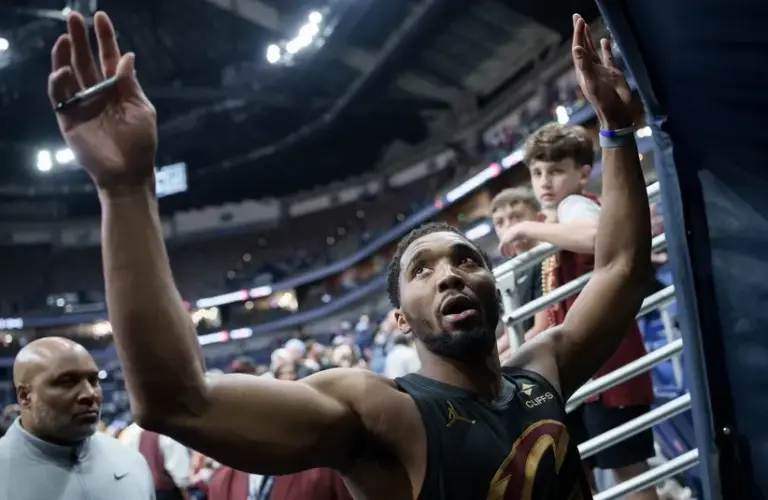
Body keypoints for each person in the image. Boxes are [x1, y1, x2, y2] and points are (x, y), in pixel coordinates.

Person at [49, 11, 650, 499]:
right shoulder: (375, 411)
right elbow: (176, 402)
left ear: (494, 287)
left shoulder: (542, 370)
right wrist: (125, 191)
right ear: (399, 319)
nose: (449, 276)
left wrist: (617, 131)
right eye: (424, 270)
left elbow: (621, 267)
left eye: (467, 261)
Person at [497, 125, 656, 496]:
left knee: (630, 475)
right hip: (589, 369)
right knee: (606, 473)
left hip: (608, 365)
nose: (544, 182)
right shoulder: (557, 220)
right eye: (537, 173)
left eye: (556, 170)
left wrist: (527, 227)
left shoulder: (575, 205)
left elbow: (594, 236)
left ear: (583, 173)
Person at [0, 337, 154, 500]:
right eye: (67, 382)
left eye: (93, 381)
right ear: (25, 396)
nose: (89, 394)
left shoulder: (131, 462)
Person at [490, 187, 550, 346]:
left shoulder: (546, 258)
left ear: (539, 219)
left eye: (516, 217)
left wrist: (503, 364)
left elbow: (542, 327)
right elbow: (511, 333)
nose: (509, 226)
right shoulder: (508, 271)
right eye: (500, 222)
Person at [120, 420, 192, 500]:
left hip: (139, 491)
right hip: (165, 492)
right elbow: (180, 474)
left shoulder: (129, 432)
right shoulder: (169, 432)